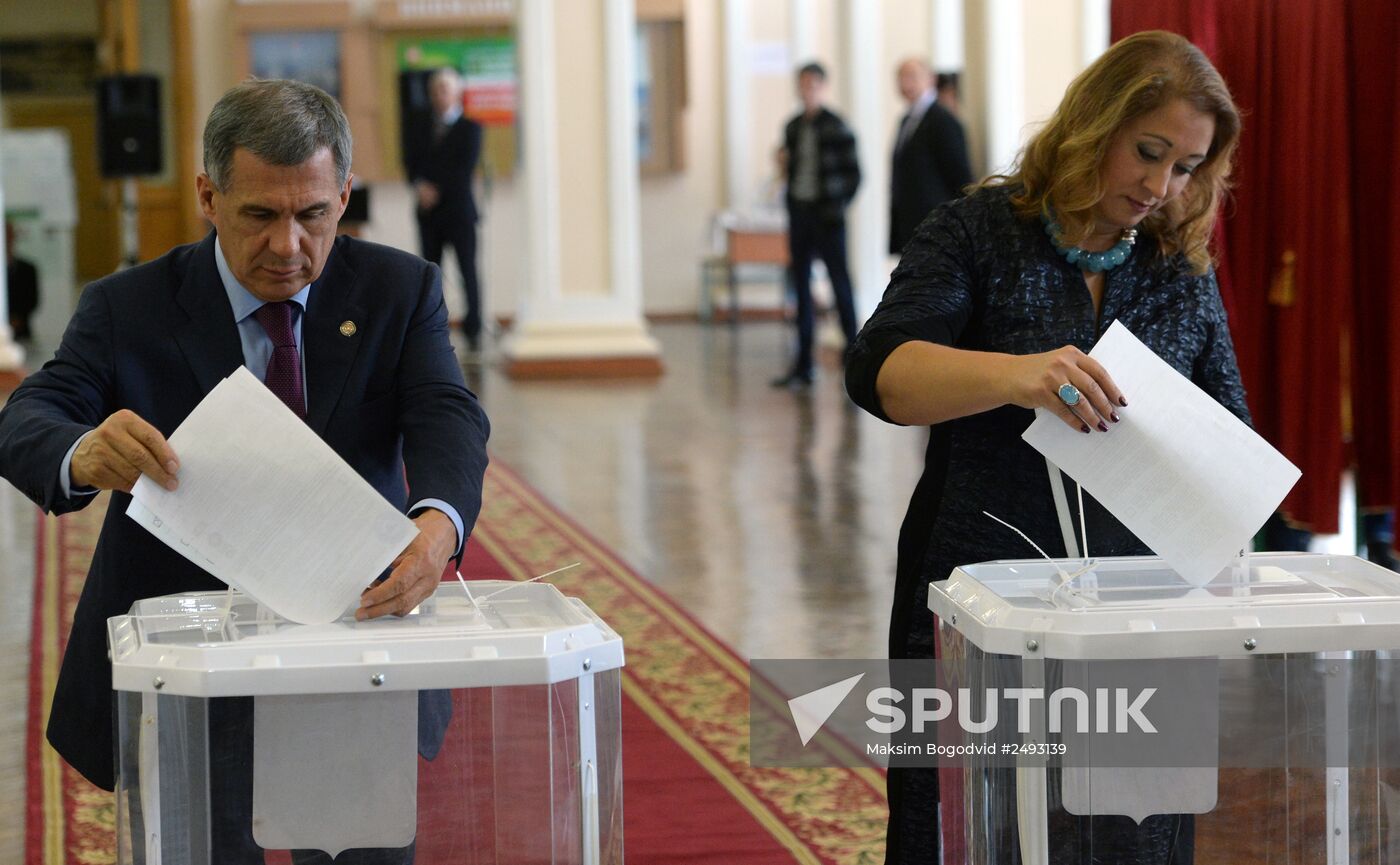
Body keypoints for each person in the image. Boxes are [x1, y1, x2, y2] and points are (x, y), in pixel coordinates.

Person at [0, 79, 490, 860]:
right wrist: (81, 450)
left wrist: (438, 525)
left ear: (345, 196)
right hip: (187, 661)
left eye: (313, 214)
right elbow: (28, 415)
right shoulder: (130, 306)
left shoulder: (400, 290)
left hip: (352, 647)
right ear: (208, 196)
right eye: (260, 215)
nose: (287, 245)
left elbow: (447, 413)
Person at [846, 31, 1246, 864]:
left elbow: (1228, 431)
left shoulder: (1177, 265)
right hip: (983, 593)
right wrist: (1017, 374)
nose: (1160, 186)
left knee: (1131, 836)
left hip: (1141, 610)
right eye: (1148, 152)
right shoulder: (979, 231)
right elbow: (881, 372)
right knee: (970, 824)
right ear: (1094, 123)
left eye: (1185, 167)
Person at [771, 61, 861, 388]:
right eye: (803, 85)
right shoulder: (793, 127)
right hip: (800, 214)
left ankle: (854, 357)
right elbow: (789, 170)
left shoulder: (837, 126)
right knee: (800, 285)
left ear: (822, 87)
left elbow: (854, 175)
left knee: (839, 283)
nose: (807, 90)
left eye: (813, 85)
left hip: (828, 217)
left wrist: (835, 206)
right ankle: (803, 364)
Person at [405, 67, 484, 352]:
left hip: (459, 212)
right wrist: (420, 186)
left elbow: (463, 169)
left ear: (457, 93)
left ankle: (474, 328)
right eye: (435, 90)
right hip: (428, 215)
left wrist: (435, 190)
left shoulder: (471, 128)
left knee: (467, 271)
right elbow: (410, 162)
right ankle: (432, 326)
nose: (440, 95)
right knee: (430, 274)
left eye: (445, 89)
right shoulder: (418, 126)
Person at [889, 59, 972, 256]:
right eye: (901, 77)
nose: (905, 83)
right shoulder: (906, 120)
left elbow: (959, 175)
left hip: (935, 223)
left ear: (930, 79)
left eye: (912, 76)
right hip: (911, 223)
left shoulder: (942, 120)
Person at [6, 220, 39, 341]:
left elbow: (32, 300)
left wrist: (16, 319)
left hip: (21, 333)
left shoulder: (27, 269)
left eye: (9, 235)